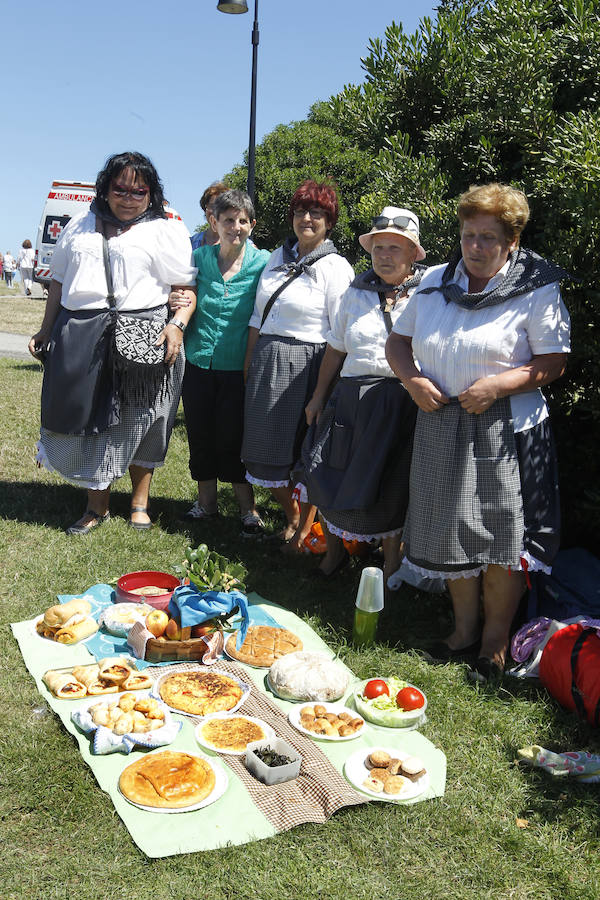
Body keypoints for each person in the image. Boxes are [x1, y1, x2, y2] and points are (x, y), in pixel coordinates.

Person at [385, 183, 571, 682]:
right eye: (469, 235)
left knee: (501, 538)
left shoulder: (536, 287)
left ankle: (494, 643)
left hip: (506, 427)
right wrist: (413, 379)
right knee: (451, 530)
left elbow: (552, 361)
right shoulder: (432, 283)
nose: (476, 247)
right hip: (442, 419)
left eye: (488, 237)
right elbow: (398, 343)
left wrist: (498, 386)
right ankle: (463, 631)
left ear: (512, 241)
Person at [28, 151, 197, 535]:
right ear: (105, 188)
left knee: (145, 419)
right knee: (91, 421)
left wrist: (177, 325)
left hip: (145, 334)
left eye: (139, 190)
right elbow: (58, 282)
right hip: (83, 331)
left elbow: (185, 287)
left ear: (151, 193)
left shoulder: (164, 228)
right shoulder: (79, 225)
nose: (128, 196)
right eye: (120, 188)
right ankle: (96, 506)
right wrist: (45, 328)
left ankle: (139, 504)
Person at [300, 207, 424, 578]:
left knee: (390, 483)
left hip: (400, 401)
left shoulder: (428, 293)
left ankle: (390, 565)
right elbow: (336, 347)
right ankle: (335, 553)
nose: (384, 255)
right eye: (378, 247)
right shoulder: (355, 292)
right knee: (327, 472)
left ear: (413, 253)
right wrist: (319, 395)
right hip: (351, 397)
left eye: (394, 248)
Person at [241, 180, 354, 545]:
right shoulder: (277, 257)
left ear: (329, 221)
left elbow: (340, 332)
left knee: (305, 453)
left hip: (310, 363)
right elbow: (259, 316)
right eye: (301, 211)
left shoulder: (336, 267)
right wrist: (250, 362)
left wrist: (323, 389)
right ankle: (292, 519)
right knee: (263, 450)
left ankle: (303, 531)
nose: (307, 219)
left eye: (316, 213)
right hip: (268, 360)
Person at [171, 189, 270, 534]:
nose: (236, 227)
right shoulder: (198, 258)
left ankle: (248, 510)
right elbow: (181, 291)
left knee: (233, 438)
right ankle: (206, 504)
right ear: (214, 222)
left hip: (237, 368)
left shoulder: (264, 263)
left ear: (252, 224)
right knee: (201, 434)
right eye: (228, 220)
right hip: (198, 363)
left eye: (243, 221)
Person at [190, 181, 227, 250]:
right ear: (205, 209)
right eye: (212, 206)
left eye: (222, 207)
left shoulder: (243, 245)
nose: (216, 211)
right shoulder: (191, 243)